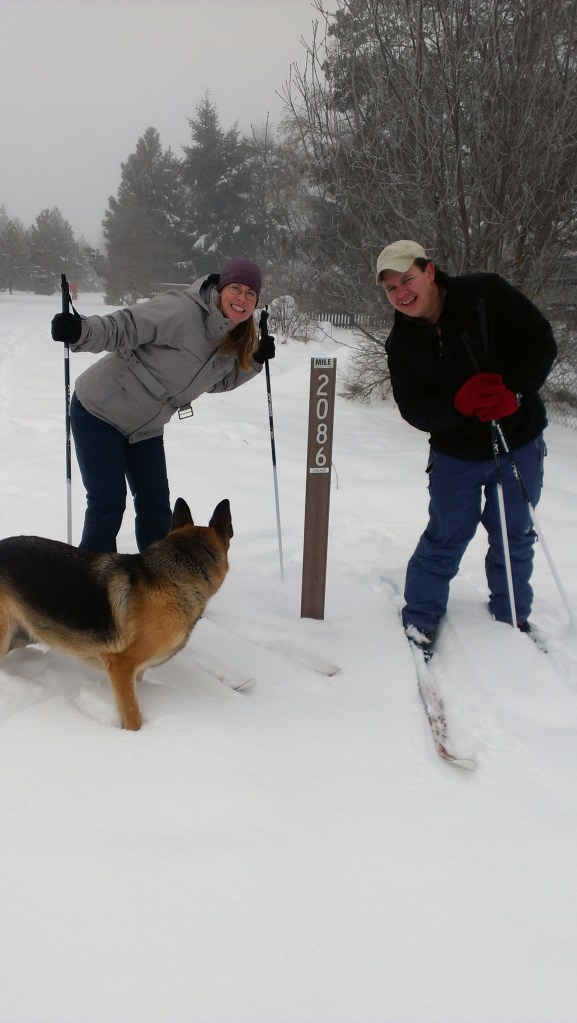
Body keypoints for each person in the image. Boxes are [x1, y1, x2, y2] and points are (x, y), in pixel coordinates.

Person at [376, 239, 557, 659]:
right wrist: (456, 404)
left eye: (407, 280)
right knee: (445, 536)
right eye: (391, 288)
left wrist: (514, 392)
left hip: (518, 440)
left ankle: (512, 615)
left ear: (430, 271)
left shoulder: (486, 294)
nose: (402, 293)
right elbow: (414, 408)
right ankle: (420, 620)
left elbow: (541, 342)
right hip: (456, 455)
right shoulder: (401, 342)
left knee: (514, 535)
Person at [51, 257, 275, 553]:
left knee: (156, 506)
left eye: (250, 294)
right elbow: (125, 326)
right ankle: (91, 584)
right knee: (108, 503)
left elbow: (218, 382)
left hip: (146, 428)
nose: (241, 298)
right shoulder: (182, 312)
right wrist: (81, 331)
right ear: (221, 288)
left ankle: (158, 581)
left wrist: (255, 361)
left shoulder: (231, 337)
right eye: (235, 288)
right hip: (99, 411)